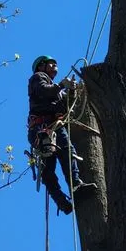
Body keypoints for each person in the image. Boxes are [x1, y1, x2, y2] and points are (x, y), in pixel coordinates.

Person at [27, 55, 93, 214]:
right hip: (43, 127)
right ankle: (62, 198)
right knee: (55, 161)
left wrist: (71, 92)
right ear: (41, 66)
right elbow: (43, 91)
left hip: (51, 127)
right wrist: (62, 85)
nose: (55, 66)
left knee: (64, 156)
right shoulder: (38, 78)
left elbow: (65, 106)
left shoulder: (56, 90)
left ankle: (74, 188)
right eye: (51, 64)